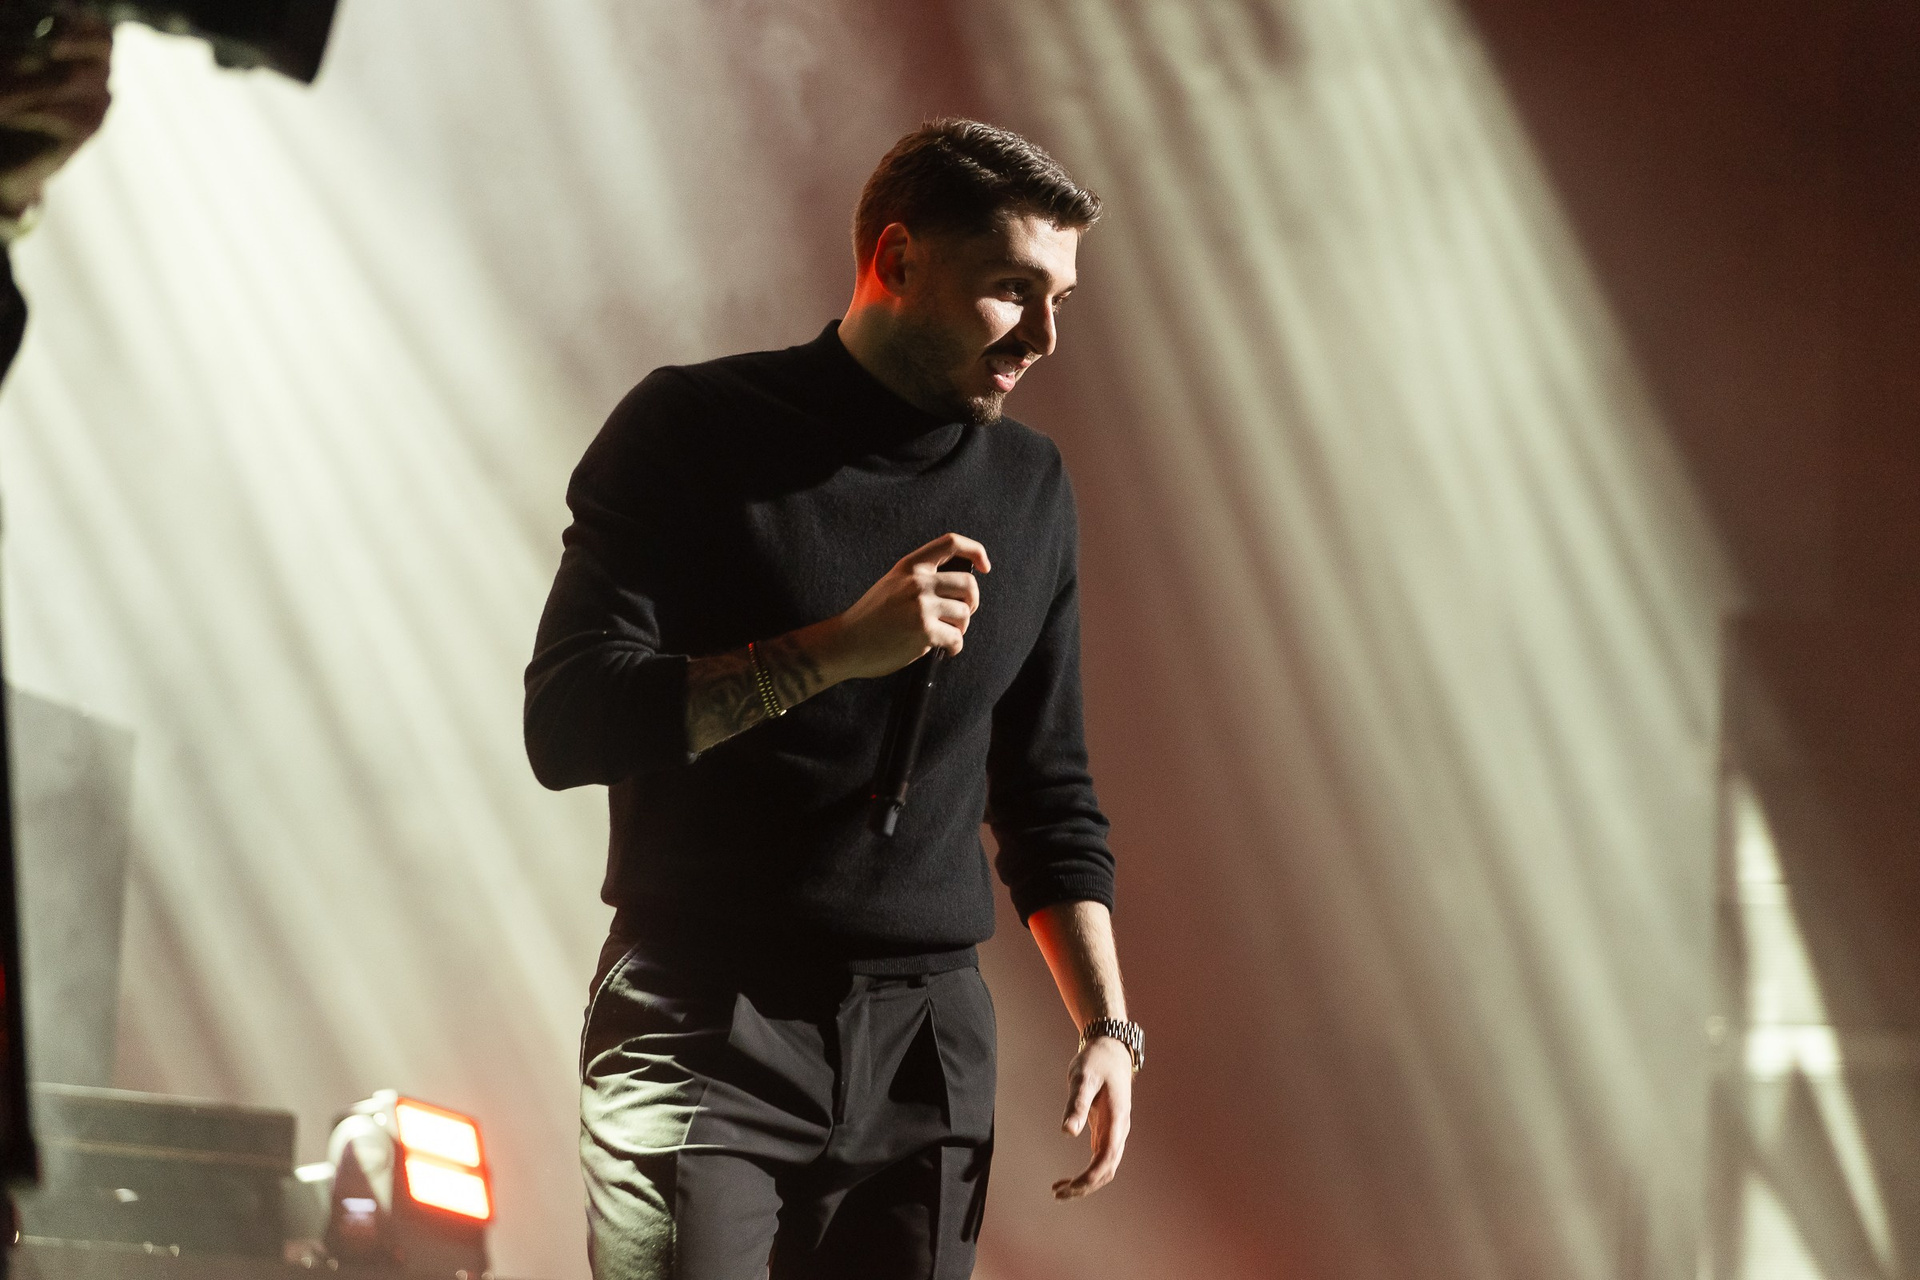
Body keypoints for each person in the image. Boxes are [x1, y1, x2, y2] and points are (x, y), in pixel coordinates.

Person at [525, 118, 1141, 1280]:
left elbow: (1048, 791)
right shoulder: (694, 429)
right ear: (898, 259)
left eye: (1060, 298)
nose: (1045, 335)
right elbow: (566, 721)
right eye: (1013, 289)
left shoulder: (1030, 485)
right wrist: (837, 651)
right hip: (704, 1017)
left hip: (929, 1043)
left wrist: (1108, 1026)